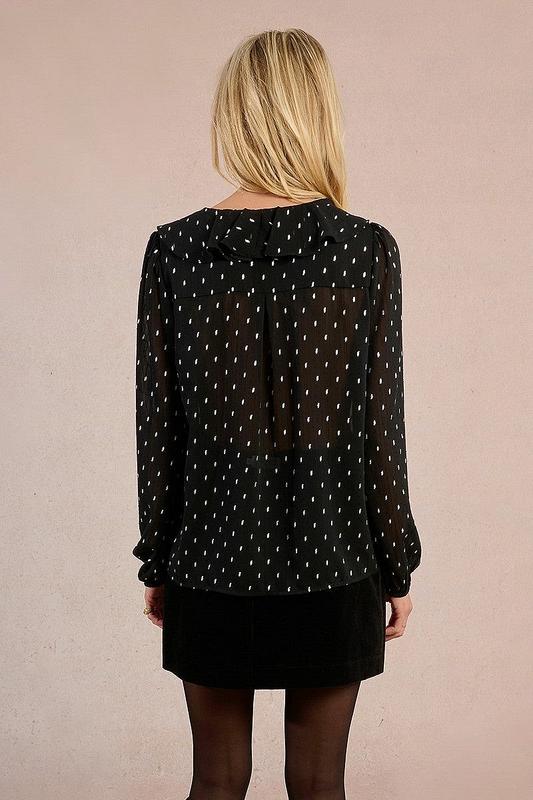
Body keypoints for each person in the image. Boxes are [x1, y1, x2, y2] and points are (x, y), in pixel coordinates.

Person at [133, 28, 422, 800]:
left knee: (216, 782)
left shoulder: (174, 249)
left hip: (209, 562)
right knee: (319, 788)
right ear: (317, 114)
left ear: (236, 112)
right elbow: (378, 429)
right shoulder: (364, 250)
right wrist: (396, 563)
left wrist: (159, 560)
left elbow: (159, 427)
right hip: (334, 561)